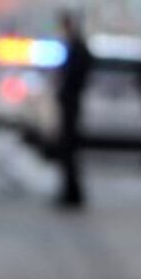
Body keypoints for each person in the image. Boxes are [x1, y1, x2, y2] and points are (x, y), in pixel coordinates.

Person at [53, 11, 94, 209]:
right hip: (71, 103)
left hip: (71, 104)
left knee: (69, 149)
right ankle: (71, 191)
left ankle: (72, 193)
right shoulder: (76, 47)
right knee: (68, 151)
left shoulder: (77, 48)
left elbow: (74, 78)